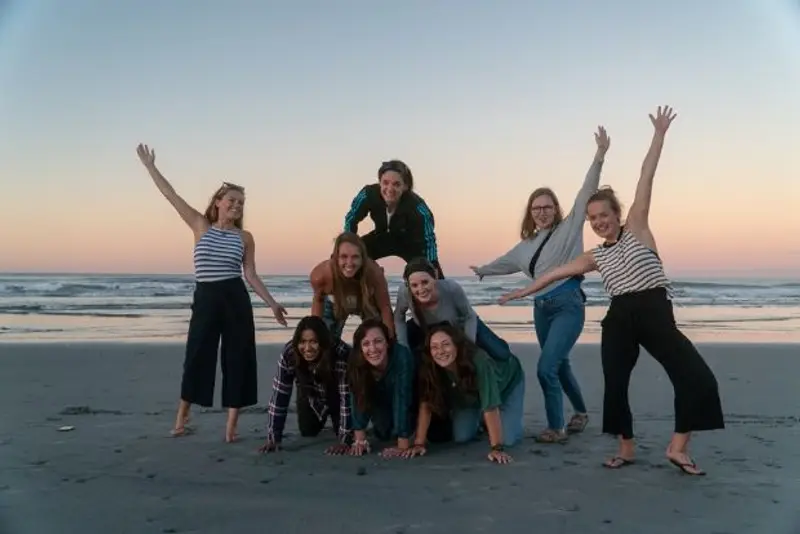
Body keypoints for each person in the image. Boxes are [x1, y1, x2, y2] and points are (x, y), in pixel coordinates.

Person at [498, 106, 724, 475]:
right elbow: (555, 273)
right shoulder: (595, 256)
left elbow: (645, 176)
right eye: (592, 219)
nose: (599, 222)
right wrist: (522, 293)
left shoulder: (638, 228)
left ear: (617, 213)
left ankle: (679, 447)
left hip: (655, 314)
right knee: (616, 385)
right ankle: (626, 448)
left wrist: (659, 135)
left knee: (696, 378)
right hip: (619, 318)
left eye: (604, 215)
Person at [135, 143, 288, 444]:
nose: (237, 206)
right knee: (197, 356)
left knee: (238, 358)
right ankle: (182, 416)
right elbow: (171, 195)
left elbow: (251, 275)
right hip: (206, 299)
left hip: (235, 300)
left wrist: (272, 304)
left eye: (242, 203)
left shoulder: (245, 237)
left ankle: (231, 426)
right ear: (218, 202)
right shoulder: (200, 225)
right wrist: (151, 167)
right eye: (232, 200)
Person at [469, 126, 611, 444]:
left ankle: (557, 427)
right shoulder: (526, 246)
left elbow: (586, 192)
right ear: (530, 214)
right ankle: (581, 413)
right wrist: (483, 271)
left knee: (546, 367)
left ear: (555, 209)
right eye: (536, 208)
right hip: (541, 309)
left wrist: (599, 157)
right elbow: (505, 262)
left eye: (547, 207)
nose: (542, 212)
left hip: (568, 304)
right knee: (559, 366)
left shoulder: (570, 228)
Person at [404, 323, 525, 464]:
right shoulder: (432, 366)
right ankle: (483, 421)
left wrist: (496, 448)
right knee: (462, 436)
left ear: (457, 345)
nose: (441, 351)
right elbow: (426, 402)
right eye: (434, 347)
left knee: (508, 440)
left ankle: (499, 420)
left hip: (506, 383)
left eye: (446, 344)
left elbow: (490, 406)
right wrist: (419, 443)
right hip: (473, 395)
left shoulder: (480, 361)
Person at [258, 316, 352, 455]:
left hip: (336, 395)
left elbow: (347, 398)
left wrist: (344, 441)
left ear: (323, 342)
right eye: (302, 342)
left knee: (343, 432)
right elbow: (279, 395)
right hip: (309, 392)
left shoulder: (341, 354)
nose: (307, 348)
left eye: (313, 342)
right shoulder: (289, 353)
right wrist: (273, 438)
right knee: (308, 431)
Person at [395, 257, 514, 362]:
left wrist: (468, 345)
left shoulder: (451, 288)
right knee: (405, 358)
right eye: (414, 285)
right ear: (408, 285)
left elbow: (469, 316)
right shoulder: (405, 292)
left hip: (457, 324)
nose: (420, 289)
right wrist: (403, 346)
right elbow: (398, 318)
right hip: (423, 327)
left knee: (502, 354)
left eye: (425, 282)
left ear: (435, 276)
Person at [343, 159, 444, 278]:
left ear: (405, 186)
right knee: (344, 258)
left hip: (410, 243)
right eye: (385, 183)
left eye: (396, 184)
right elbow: (351, 218)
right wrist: (349, 246)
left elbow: (429, 239)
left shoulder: (418, 208)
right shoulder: (368, 194)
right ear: (379, 182)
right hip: (382, 236)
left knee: (431, 275)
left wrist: (432, 265)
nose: (390, 189)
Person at [347, 319, 418, 458]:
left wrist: (402, 444)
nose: (373, 349)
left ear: (388, 342)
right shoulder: (355, 360)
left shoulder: (401, 355)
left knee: (432, 433)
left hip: (411, 399)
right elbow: (357, 396)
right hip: (381, 401)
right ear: (360, 348)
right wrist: (360, 439)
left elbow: (402, 397)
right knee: (383, 434)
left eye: (378, 341)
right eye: (366, 344)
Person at [310, 232, 394, 341]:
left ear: (362, 258)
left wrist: (389, 340)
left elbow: (385, 307)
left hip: (365, 300)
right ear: (336, 258)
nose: (349, 263)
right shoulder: (320, 275)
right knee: (324, 341)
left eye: (355, 257)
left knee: (378, 339)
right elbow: (318, 303)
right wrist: (315, 335)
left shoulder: (373, 273)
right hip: (336, 302)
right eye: (344, 257)